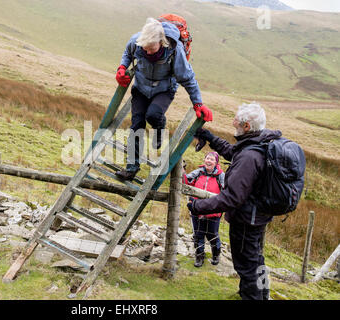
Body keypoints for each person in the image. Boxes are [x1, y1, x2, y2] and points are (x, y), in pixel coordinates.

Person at [187, 103, 281, 300]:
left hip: (246, 219)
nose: (233, 122)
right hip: (258, 215)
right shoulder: (259, 143)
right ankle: (263, 294)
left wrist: (197, 206)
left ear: (246, 126)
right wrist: (212, 139)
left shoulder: (250, 155)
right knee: (256, 259)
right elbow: (235, 154)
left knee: (246, 266)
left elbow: (231, 198)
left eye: (237, 120)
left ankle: (253, 297)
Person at [114, 17, 213, 181]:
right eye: (145, 49)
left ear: (162, 42)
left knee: (153, 115)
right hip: (140, 87)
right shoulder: (136, 41)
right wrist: (122, 67)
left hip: (164, 89)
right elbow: (127, 53)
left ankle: (159, 129)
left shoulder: (175, 50)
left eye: (152, 49)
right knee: (136, 124)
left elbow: (188, 78)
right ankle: (131, 168)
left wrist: (198, 104)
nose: (148, 52)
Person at [183, 152, 225, 268]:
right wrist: (182, 171)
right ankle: (199, 257)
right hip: (196, 210)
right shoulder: (198, 173)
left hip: (213, 212)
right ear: (204, 160)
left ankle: (216, 255)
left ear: (216, 163)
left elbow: (226, 191)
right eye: (207, 158)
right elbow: (185, 183)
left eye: (212, 159)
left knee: (212, 235)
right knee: (198, 235)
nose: (209, 161)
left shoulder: (220, 176)